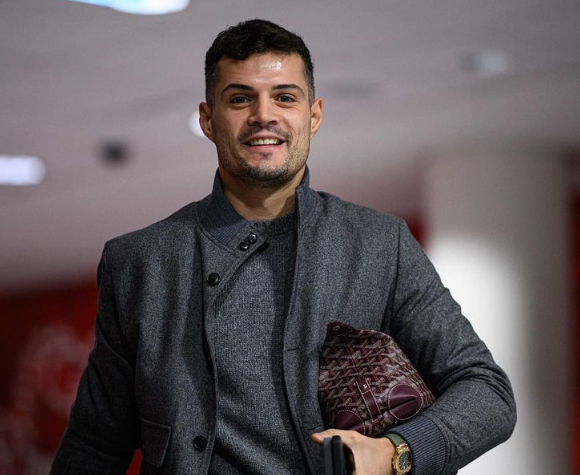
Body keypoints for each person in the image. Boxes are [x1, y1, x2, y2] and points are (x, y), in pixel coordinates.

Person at [50, 19, 516, 475]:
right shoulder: (141, 263)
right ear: (208, 119)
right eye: (239, 99)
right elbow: (95, 442)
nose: (263, 115)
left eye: (285, 97)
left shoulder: (378, 244)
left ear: (313, 116)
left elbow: (487, 393)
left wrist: (397, 452)